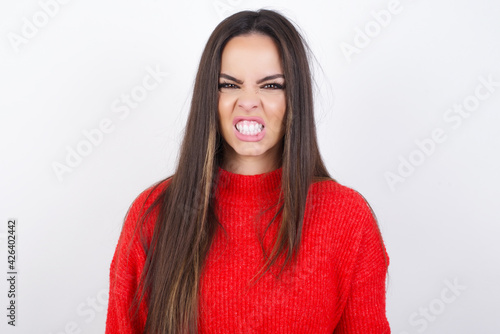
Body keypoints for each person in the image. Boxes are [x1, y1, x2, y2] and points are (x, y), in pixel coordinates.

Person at [105, 9, 390, 334]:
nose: (249, 101)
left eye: (271, 86)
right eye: (229, 84)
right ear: (209, 97)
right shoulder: (153, 213)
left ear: (295, 98)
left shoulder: (347, 217)